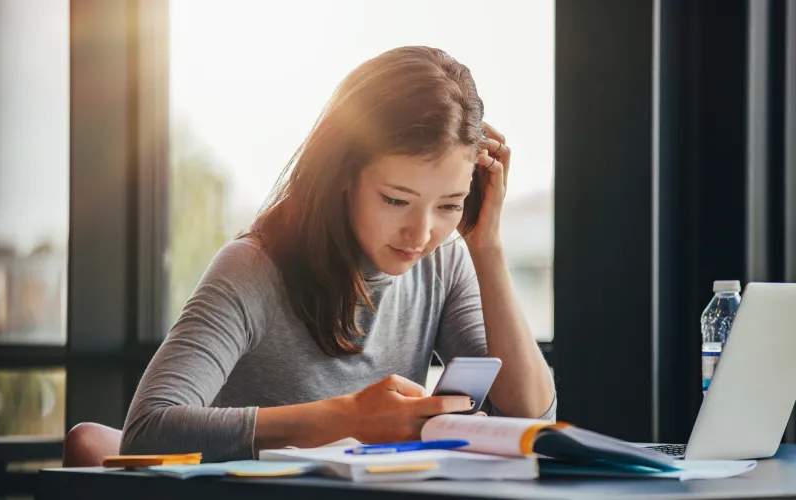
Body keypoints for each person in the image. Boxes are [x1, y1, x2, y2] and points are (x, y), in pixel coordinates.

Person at [121, 46, 556, 462]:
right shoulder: (253, 268)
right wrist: (348, 419)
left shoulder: (443, 262)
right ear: (343, 174)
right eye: (395, 200)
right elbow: (147, 432)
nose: (421, 234)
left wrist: (489, 248)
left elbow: (533, 417)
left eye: (449, 205)